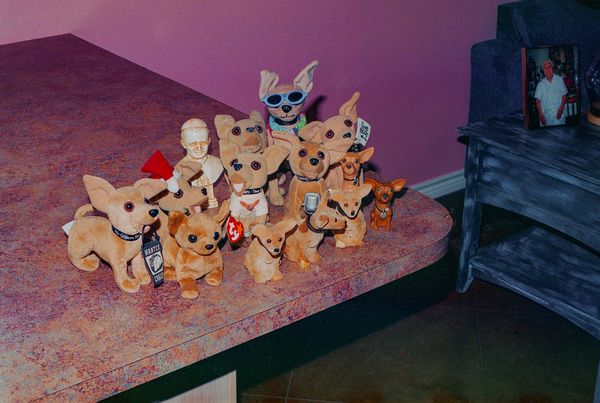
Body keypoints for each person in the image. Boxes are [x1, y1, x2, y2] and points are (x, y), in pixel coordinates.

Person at [177, 118, 223, 209]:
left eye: (203, 142)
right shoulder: (180, 169)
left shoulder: (218, 163)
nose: (199, 147)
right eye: (193, 144)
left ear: (209, 141)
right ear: (183, 144)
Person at [534, 60, 568, 126]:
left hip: (559, 116)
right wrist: (541, 115)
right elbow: (537, 100)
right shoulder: (540, 84)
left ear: (552, 68)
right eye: (545, 68)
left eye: (549, 67)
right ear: (543, 71)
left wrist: (561, 110)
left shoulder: (559, 80)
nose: (547, 70)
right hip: (546, 117)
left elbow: (564, 95)